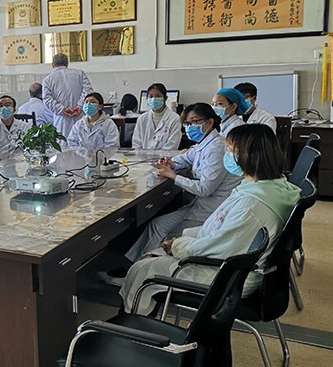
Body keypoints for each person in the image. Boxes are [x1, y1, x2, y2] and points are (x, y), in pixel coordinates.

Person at [120, 124, 301, 315]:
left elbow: (222, 247)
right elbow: (223, 232)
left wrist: (179, 245)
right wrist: (185, 239)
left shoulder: (252, 205)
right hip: (232, 263)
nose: (226, 155)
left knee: (142, 270)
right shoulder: (269, 186)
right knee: (151, 257)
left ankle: (133, 320)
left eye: (230, 151)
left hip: (228, 277)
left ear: (250, 156)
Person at [121, 103, 241, 264]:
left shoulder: (216, 148)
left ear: (210, 122)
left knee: (168, 237)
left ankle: (145, 267)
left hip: (212, 209)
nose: (190, 127)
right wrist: (171, 163)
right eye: (187, 123)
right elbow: (185, 158)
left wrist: (173, 176)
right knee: (157, 225)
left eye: (194, 122)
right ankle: (132, 265)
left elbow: (205, 189)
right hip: (201, 205)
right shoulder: (204, 143)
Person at [42, 53, 93, 140]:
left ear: (52, 65)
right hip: (80, 116)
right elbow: (88, 92)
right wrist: (79, 107)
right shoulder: (80, 74)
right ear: (67, 63)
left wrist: (62, 110)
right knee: (82, 142)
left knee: (63, 144)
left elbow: (47, 99)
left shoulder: (48, 80)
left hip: (62, 120)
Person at [131, 83, 182, 150]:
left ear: (165, 98)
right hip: (142, 156)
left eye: (158, 96)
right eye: (151, 96)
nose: (154, 99)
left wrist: (157, 156)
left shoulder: (174, 118)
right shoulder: (142, 118)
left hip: (165, 156)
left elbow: (172, 145)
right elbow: (136, 144)